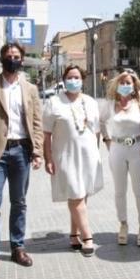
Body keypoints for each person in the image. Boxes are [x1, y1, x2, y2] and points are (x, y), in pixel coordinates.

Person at [0, 42, 43, 277]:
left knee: (19, 202)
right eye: (8, 55)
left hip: (21, 150)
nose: (12, 59)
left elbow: (36, 122)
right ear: (2, 59)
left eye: (16, 55)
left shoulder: (30, 89)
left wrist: (38, 151)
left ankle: (17, 247)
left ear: (21, 59)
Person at [41, 65, 104, 257]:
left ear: (83, 79)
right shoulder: (53, 102)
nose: (73, 81)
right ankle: (87, 237)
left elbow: (97, 131)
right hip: (65, 157)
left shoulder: (91, 102)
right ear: (64, 79)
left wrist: (97, 152)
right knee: (75, 195)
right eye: (70, 77)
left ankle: (73, 235)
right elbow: (46, 135)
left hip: (88, 157)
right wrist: (48, 158)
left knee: (82, 196)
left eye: (77, 77)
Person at [99, 69, 140, 247]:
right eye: (122, 82)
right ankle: (123, 224)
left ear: (134, 86)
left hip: (137, 150)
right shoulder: (110, 104)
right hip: (117, 150)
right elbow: (101, 122)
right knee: (119, 191)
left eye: (128, 82)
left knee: (139, 191)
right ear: (117, 84)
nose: (125, 85)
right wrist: (107, 141)